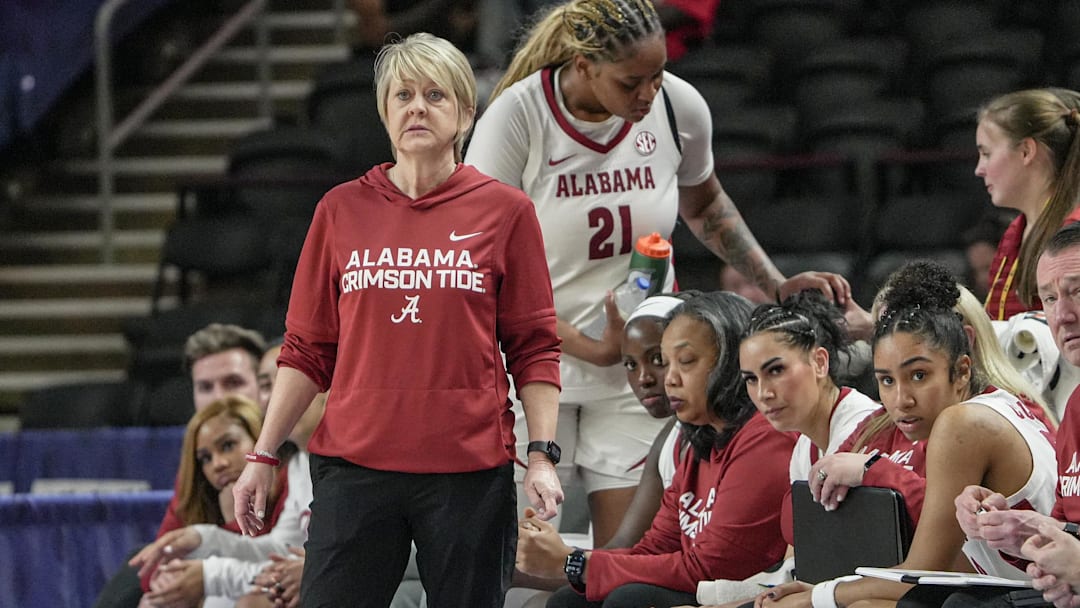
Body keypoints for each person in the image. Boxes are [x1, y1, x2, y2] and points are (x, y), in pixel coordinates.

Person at [465, 0, 867, 547]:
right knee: (518, 565)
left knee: (629, 556)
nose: (648, 93)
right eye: (632, 82)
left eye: (657, 76)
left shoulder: (678, 106)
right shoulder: (515, 117)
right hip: (530, 370)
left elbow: (705, 206)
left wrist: (776, 282)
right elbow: (482, 272)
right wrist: (587, 346)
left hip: (643, 370)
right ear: (583, 66)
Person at [231, 33, 563, 608]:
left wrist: (542, 455)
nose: (417, 106)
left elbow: (534, 345)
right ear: (384, 112)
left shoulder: (506, 212)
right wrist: (263, 455)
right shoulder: (339, 210)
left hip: (469, 471)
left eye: (436, 94)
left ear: (465, 113)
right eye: (402, 94)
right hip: (355, 469)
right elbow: (307, 349)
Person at [757, 261, 1057, 608]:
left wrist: (818, 596)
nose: (901, 400)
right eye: (886, 380)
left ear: (961, 368)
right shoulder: (1005, 405)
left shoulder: (965, 423)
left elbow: (923, 573)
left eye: (918, 375)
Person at [516, 291, 795, 607]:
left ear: (732, 361)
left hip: (753, 591)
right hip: (704, 582)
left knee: (629, 600)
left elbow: (712, 567)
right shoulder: (695, 439)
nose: (669, 379)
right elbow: (653, 547)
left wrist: (572, 562)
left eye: (684, 362)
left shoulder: (766, 437)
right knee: (571, 601)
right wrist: (559, 559)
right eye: (667, 362)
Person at [683, 291, 879, 606]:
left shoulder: (863, 427)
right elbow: (801, 568)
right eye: (750, 379)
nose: (763, 393)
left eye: (776, 371)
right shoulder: (804, 446)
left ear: (819, 362)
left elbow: (849, 571)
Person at [950, 223, 1080, 607]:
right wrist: (1020, 529)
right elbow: (1068, 529)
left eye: (1078, 292)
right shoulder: (1075, 407)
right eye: (1050, 299)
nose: (1064, 315)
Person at [93, 323, 267, 608]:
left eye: (233, 382)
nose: (219, 397)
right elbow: (163, 553)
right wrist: (164, 584)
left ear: (263, 386)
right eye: (205, 387)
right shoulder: (199, 461)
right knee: (139, 575)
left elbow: (286, 556)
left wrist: (229, 529)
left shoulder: (288, 455)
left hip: (263, 588)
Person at [137, 395, 284, 608]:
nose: (218, 464)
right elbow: (151, 572)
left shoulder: (291, 479)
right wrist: (173, 583)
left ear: (258, 438)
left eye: (228, 445)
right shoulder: (198, 491)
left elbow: (281, 562)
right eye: (205, 458)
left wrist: (235, 522)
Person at [977, 88, 1080, 320]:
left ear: (1026, 151)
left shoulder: (1074, 236)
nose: (978, 169)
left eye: (986, 154)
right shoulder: (1014, 232)